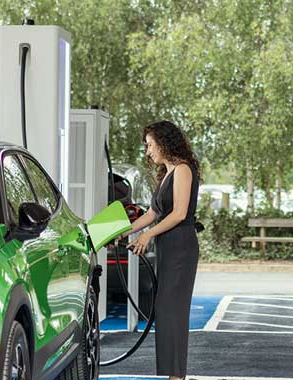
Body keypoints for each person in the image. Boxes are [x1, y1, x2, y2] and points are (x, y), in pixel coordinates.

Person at [120, 120, 201, 380]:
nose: (148, 151)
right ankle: (172, 374)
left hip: (180, 247)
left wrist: (147, 235)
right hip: (168, 246)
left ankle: (177, 376)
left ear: (165, 143)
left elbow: (178, 213)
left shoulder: (183, 170)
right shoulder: (167, 172)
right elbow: (154, 212)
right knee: (165, 311)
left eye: (150, 145)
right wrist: (124, 231)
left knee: (173, 311)